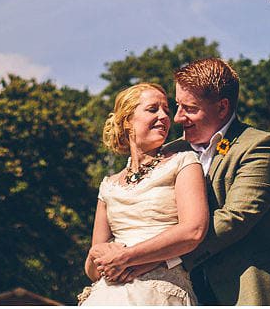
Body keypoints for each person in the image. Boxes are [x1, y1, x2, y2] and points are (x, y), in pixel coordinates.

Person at [167, 58, 270, 305]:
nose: (178, 118)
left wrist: (156, 255)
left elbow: (234, 219)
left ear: (223, 108)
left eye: (190, 109)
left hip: (246, 294)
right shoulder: (170, 153)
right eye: (177, 106)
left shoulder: (260, 146)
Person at [81, 83, 211, 305]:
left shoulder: (184, 162)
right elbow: (92, 271)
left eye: (166, 111)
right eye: (153, 109)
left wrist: (127, 257)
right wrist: (96, 253)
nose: (164, 117)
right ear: (127, 121)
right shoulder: (109, 186)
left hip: (159, 294)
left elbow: (193, 231)